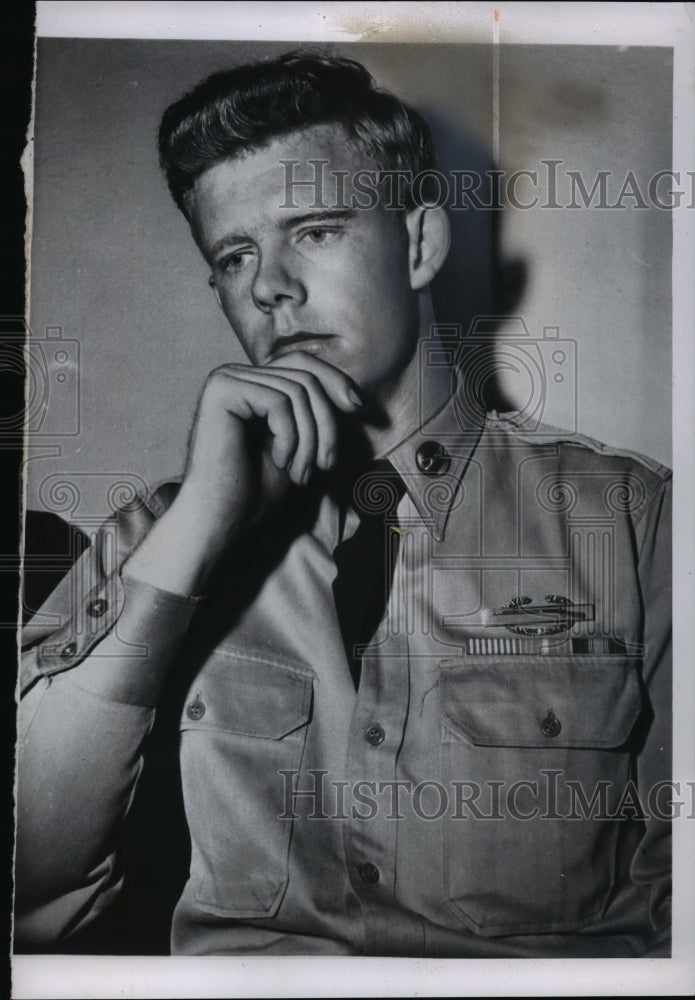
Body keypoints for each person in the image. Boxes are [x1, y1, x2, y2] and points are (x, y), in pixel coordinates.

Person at [16, 51, 671, 958]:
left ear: (418, 245)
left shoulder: (637, 527)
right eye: (234, 255)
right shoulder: (152, 539)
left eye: (314, 232)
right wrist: (196, 530)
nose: (268, 286)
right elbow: (29, 888)